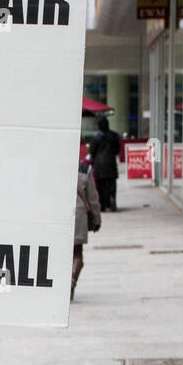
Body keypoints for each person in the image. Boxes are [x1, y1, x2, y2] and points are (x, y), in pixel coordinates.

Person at [72, 160, 101, 300]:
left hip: (56, 216)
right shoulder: (84, 169)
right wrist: (97, 219)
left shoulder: (53, 166)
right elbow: (93, 198)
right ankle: (72, 278)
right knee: (77, 253)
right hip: (78, 215)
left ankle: (62, 283)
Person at [88, 115, 121, 212]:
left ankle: (102, 204)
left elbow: (92, 151)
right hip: (111, 164)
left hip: (99, 165)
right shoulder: (114, 135)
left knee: (101, 187)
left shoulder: (96, 137)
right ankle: (111, 199)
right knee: (111, 185)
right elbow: (117, 150)